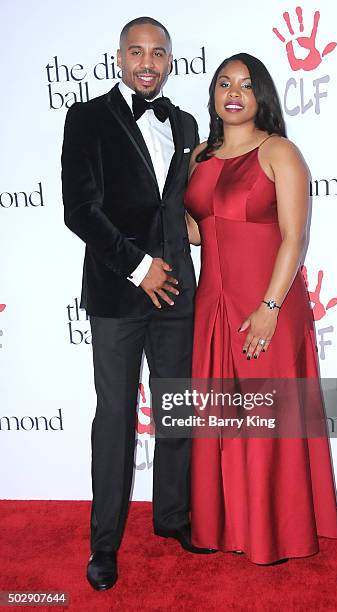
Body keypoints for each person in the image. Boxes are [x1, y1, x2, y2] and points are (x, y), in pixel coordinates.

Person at [62, 16, 214, 592]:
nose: (147, 62)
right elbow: (81, 210)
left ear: (170, 60)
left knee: (177, 408)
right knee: (116, 418)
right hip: (118, 291)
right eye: (136, 51)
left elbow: (178, 204)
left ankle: (173, 517)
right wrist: (137, 266)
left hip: (178, 289)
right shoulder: (88, 117)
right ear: (119, 57)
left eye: (158, 53)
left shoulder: (184, 122)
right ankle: (104, 544)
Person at [185, 53, 337, 565]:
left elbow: (295, 236)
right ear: (212, 94)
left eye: (247, 85)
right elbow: (196, 228)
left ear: (262, 98)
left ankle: (277, 533)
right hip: (213, 304)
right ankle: (223, 525)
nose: (234, 92)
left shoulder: (279, 152)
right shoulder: (198, 158)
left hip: (268, 301)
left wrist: (271, 306)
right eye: (224, 83)